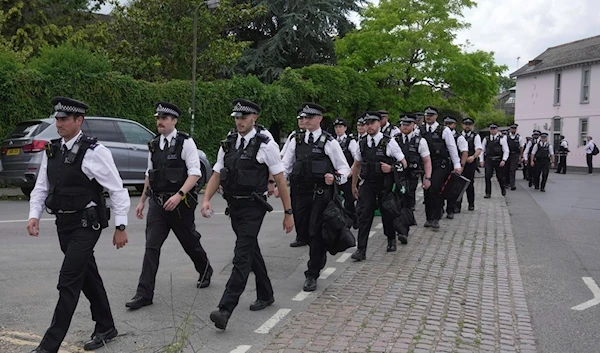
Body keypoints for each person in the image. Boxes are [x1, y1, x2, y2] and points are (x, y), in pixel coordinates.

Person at [27, 97, 130, 353]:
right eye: (57, 119)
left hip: (87, 225)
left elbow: (117, 190)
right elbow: (42, 186)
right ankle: (106, 325)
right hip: (63, 223)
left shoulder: (95, 152)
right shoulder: (53, 150)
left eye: (64, 119)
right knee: (87, 276)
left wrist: (121, 226)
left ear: (78, 121)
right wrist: (33, 215)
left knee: (68, 281)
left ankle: (47, 347)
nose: (58, 123)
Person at [201, 99, 294, 330]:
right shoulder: (229, 142)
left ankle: (225, 309)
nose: (239, 121)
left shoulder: (266, 145)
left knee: (241, 256)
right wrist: (205, 200)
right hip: (234, 206)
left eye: (244, 117)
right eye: (237, 117)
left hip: (254, 206)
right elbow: (216, 174)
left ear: (255, 118)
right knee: (250, 248)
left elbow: (280, 180)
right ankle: (266, 293)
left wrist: (288, 212)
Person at [126, 102, 212, 310]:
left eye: (164, 118)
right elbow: (150, 174)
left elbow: (195, 173)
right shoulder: (154, 144)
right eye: (158, 118)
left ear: (174, 121)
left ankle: (205, 269)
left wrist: (179, 194)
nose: (160, 122)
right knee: (151, 247)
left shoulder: (185, 143)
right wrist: (142, 201)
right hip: (158, 204)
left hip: (180, 204)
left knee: (189, 241)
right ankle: (144, 294)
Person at [281, 103, 351, 292]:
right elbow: (285, 164)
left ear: (319, 119)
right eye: (303, 118)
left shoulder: (329, 142)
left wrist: (334, 178)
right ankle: (318, 256)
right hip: (300, 193)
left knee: (315, 233)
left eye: (309, 118)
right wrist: (278, 184)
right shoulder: (296, 139)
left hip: (321, 194)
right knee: (303, 232)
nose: (305, 121)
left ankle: (312, 273)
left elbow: (345, 168)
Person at [350, 111, 407, 259]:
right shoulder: (361, 143)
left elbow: (403, 163)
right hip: (368, 183)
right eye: (366, 124)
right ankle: (361, 249)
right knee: (364, 215)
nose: (369, 126)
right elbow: (356, 165)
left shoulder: (389, 142)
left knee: (387, 213)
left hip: (384, 184)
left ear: (379, 124)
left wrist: (392, 168)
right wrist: (354, 185)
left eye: (372, 123)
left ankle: (391, 239)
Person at [419, 106, 462, 230]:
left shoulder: (444, 130)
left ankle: (436, 217)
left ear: (436, 116)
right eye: (427, 114)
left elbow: (452, 148)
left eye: (431, 115)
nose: (428, 117)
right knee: (426, 189)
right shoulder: (420, 130)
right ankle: (429, 218)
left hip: (439, 164)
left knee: (435, 188)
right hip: (426, 164)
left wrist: (457, 165)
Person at [395, 113, 432, 242]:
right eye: (402, 124)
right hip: (396, 176)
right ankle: (397, 227)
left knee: (407, 202)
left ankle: (403, 231)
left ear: (413, 125)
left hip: (411, 176)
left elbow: (426, 161)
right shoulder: (394, 140)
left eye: (407, 124)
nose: (404, 127)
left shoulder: (420, 141)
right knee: (395, 202)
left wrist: (427, 178)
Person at [281, 110, 309, 248]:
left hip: (312, 180)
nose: (302, 121)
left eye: (305, 118)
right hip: (297, 178)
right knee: (297, 208)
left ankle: (311, 233)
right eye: (300, 119)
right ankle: (301, 236)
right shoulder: (294, 136)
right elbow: (285, 156)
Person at [333, 118, 359, 228]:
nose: (338, 129)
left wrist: (351, 171)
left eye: (340, 127)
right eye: (336, 127)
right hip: (336, 175)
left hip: (348, 175)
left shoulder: (350, 141)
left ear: (345, 128)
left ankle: (353, 219)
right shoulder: (332, 141)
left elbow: (356, 158)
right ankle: (342, 219)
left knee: (349, 199)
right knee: (336, 198)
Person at [443, 116, 468, 218]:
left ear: (454, 125)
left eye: (450, 124)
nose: (448, 126)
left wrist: (461, 165)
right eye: (446, 124)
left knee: (453, 188)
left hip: (454, 164)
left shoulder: (459, 137)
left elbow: (464, 152)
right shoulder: (441, 134)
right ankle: (440, 208)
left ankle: (451, 209)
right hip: (443, 163)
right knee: (440, 186)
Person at [457, 118, 482, 211]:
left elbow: (479, 149)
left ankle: (471, 203)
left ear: (472, 126)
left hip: (470, 163)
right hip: (459, 162)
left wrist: (473, 157)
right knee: (458, 184)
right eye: (465, 124)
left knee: (469, 184)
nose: (467, 126)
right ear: (462, 125)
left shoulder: (475, 136)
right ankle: (457, 205)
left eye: (469, 124)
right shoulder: (458, 135)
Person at [480, 123, 509, 198]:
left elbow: (506, 150)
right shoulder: (486, 139)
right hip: (489, 160)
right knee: (487, 176)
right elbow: (482, 150)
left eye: (494, 129)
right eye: (491, 129)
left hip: (498, 160)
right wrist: (481, 160)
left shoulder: (502, 139)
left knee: (500, 177)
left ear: (497, 129)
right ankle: (488, 193)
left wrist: (504, 160)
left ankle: (502, 189)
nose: (493, 130)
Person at [506, 124, 525, 190]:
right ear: (510, 129)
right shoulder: (506, 137)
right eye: (512, 128)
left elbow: (521, 147)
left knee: (512, 170)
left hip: (515, 155)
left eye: (514, 128)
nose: (513, 130)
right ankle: (507, 183)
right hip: (508, 155)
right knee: (507, 169)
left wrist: (521, 156)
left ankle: (512, 185)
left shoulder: (519, 137)